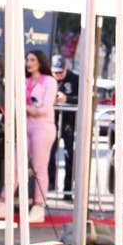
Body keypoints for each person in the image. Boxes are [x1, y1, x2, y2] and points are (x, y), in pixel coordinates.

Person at [0, 50, 57, 224]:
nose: (29, 62)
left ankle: (38, 206)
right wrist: (27, 109)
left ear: (40, 61)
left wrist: (25, 108)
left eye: (32, 59)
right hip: (24, 127)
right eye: (27, 59)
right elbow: (16, 105)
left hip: (42, 128)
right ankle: (3, 202)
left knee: (39, 167)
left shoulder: (49, 81)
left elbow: (44, 109)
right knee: (14, 164)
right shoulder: (23, 82)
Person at [48, 54, 79, 199]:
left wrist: (67, 98)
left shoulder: (75, 79)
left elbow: (82, 98)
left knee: (68, 155)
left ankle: (68, 190)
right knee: (50, 154)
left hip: (69, 123)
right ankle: (50, 186)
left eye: (60, 72)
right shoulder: (48, 79)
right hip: (51, 122)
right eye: (55, 72)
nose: (58, 75)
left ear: (66, 68)